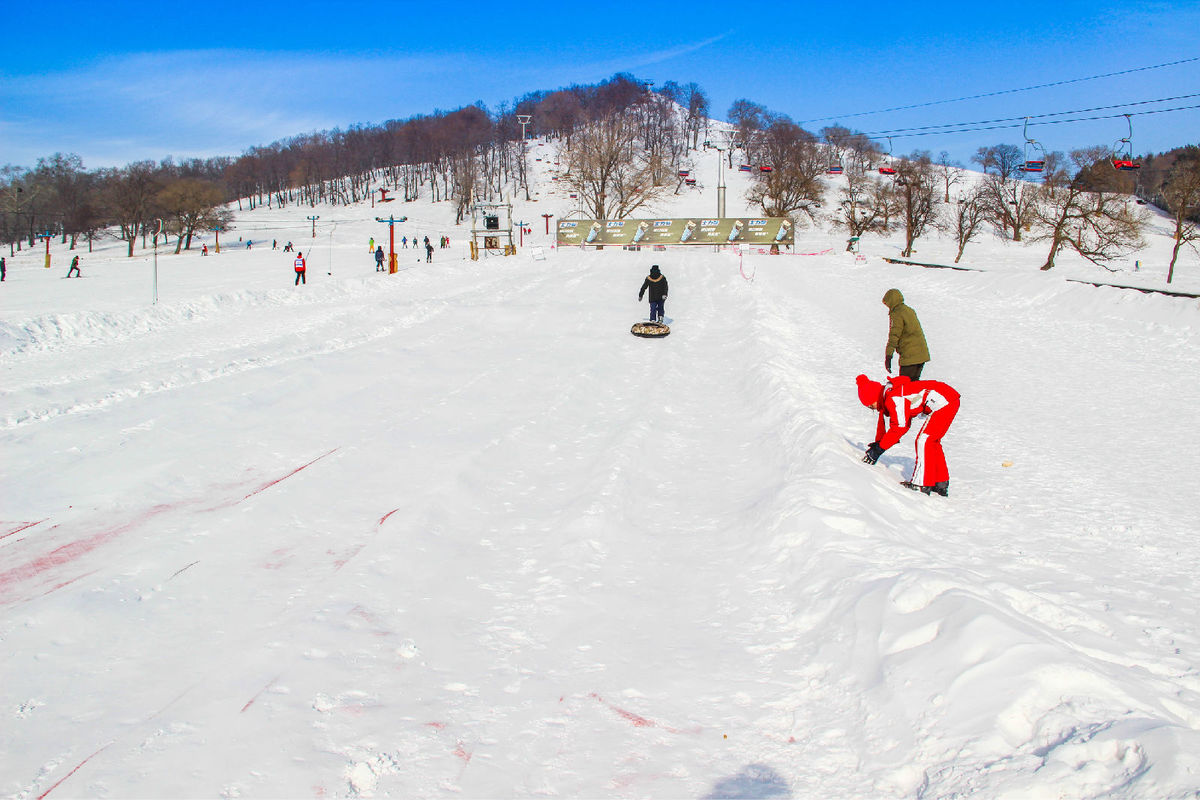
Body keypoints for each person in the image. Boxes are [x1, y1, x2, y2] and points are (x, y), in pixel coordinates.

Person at [856, 373, 959, 497]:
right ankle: (940, 482)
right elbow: (903, 423)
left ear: (874, 397)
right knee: (931, 441)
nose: (874, 409)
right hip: (948, 399)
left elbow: (900, 427)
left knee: (924, 441)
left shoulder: (894, 397)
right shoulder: (893, 393)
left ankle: (921, 484)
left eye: (871, 406)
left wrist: (878, 449)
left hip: (944, 402)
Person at [882, 288, 929, 379]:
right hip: (921, 355)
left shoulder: (897, 314)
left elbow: (894, 335)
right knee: (914, 386)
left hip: (910, 357)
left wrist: (888, 355)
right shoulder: (909, 310)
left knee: (904, 387)